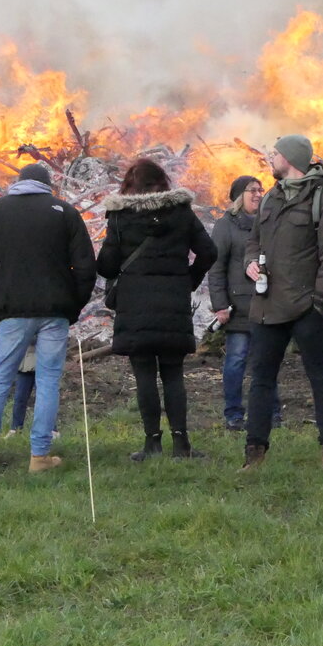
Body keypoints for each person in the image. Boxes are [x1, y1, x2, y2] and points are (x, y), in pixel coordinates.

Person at [0, 163, 97, 472]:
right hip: (55, 310)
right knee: (48, 380)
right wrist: (74, 305)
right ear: (48, 184)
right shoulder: (64, 212)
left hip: (12, 310)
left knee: (1, 377)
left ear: (18, 182)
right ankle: (39, 456)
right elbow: (85, 266)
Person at [241, 135, 323, 470]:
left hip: (306, 307)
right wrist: (250, 262)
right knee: (260, 379)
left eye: (275, 153)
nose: (270, 158)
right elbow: (253, 241)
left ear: (290, 158)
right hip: (267, 306)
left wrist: (319, 303)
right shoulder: (270, 198)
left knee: (320, 376)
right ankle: (254, 453)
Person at [98, 158, 217, 461]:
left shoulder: (120, 216)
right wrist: (188, 280)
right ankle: (181, 444)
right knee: (173, 373)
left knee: (144, 375)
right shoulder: (182, 213)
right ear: (163, 183)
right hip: (173, 304)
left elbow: (107, 266)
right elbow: (208, 251)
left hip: (135, 306)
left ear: (132, 186)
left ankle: (152, 444)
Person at [208, 175, 270, 431]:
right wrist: (220, 304)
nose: (258, 194)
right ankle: (233, 414)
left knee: (266, 361)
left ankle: (271, 412)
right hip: (239, 307)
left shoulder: (268, 222)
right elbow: (216, 267)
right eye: (251, 190)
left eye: (260, 190)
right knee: (236, 361)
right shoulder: (226, 226)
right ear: (238, 196)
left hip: (267, 305)